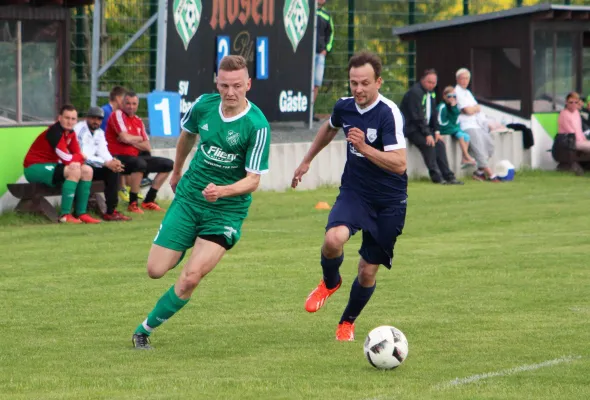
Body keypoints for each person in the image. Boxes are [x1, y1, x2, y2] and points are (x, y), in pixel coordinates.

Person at [130, 55, 271, 350]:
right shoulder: (204, 106)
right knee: (155, 270)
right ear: (216, 83)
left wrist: (223, 191)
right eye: (224, 85)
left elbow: (253, 180)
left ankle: (143, 330)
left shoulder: (257, 125)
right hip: (190, 198)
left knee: (191, 278)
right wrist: (177, 170)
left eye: (236, 86)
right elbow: (187, 137)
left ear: (248, 84)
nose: (230, 92)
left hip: (225, 211)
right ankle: (183, 244)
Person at [292, 51, 407, 341]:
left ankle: (347, 322)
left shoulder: (388, 113)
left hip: (389, 201)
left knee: (367, 272)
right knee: (333, 240)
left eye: (365, 83)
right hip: (355, 191)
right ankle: (330, 282)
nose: (358, 89)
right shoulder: (344, 107)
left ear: (378, 81)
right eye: (353, 82)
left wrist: (365, 148)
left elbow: (400, 163)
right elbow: (328, 129)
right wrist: (307, 160)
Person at [23, 104, 101, 224]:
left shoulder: (71, 133)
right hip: (34, 167)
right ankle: (65, 214)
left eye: (73, 119)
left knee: (87, 170)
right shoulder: (55, 132)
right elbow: (66, 157)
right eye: (66, 118)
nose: (70, 122)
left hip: (51, 166)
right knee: (74, 170)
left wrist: (77, 159)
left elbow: (76, 155)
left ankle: (81, 213)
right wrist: (78, 158)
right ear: (59, 118)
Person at [105, 91, 174, 213]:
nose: (131, 106)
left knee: (168, 164)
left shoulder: (138, 120)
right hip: (118, 158)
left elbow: (147, 146)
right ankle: (133, 203)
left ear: (137, 105)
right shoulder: (118, 115)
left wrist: (131, 140)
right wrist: (138, 138)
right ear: (122, 103)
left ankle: (149, 200)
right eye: (128, 103)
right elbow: (125, 138)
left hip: (136, 157)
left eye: (134, 104)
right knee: (139, 163)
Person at [400, 69, 463, 185]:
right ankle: (437, 177)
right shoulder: (415, 93)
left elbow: (434, 113)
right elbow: (417, 116)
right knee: (428, 144)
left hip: (424, 128)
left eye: (434, 82)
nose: (432, 85)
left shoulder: (431, 93)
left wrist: (437, 131)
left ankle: (449, 176)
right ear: (423, 80)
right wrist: (427, 134)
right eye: (429, 82)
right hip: (412, 128)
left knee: (439, 144)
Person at [74, 106, 131, 221]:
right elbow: (82, 156)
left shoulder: (99, 132)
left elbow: (103, 151)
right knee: (106, 168)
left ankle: (111, 211)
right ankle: (79, 212)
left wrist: (113, 162)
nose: (96, 121)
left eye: (99, 119)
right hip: (77, 167)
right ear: (87, 118)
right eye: (93, 118)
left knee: (113, 170)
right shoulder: (80, 129)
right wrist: (106, 163)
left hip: (92, 166)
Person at [454, 68, 500, 182]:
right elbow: (468, 110)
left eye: (467, 78)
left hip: (477, 124)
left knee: (489, 146)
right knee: (478, 148)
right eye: (462, 78)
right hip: (466, 125)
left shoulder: (467, 93)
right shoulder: (456, 92)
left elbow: (476, 108)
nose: (465, 81)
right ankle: (491, 174)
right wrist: (474, 109)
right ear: (457, 79)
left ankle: (479, 172)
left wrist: (473, 109)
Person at [437, 86, 476, 168]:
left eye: (454, 96)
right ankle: (466, 155)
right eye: (449, 96)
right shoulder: (442, 106)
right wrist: (452, 127)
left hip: (451, 127)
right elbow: (440, 121)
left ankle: (464, 158)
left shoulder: (452, 107)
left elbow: (455, 119)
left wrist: (453, 107)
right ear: (444, 96)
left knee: (466, 136)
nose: (452, 98)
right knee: (460, 135)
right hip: (443, 128)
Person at [312, 0, 334, 122]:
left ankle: (311, 110)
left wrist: (326, 49)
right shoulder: (308, 12)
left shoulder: (327, 15)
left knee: (316, 83)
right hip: (307, 55)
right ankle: (304, 110)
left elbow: (331, 35)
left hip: (320, 55)